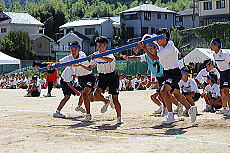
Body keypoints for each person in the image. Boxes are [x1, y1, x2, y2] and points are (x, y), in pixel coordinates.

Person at [146, 29, 197, 124]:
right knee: (177, 95)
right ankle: (191, 109)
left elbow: (154, 58)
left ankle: (170, 115)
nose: (157, 41)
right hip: (167, 73)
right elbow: (150, 41)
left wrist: (144, 48)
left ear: (164, 38)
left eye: (158, 39)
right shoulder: (161, 46)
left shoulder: (169, 47)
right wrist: (143, 44)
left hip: (174, 72)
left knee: (163, 91)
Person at [88, 36, 123, 124]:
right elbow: (90, 68)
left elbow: (110, 59)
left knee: (115, 99)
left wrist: (99, 56)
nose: (98, 47)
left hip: (112, 77)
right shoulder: (95, 54)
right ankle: (107, 101)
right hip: (102, 77)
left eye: (100, 45)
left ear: (105, 45)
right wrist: (80, 64)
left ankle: (119, 117)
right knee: (96, 94)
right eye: (97, 45)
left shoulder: (109, 53)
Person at [62, 41, 96, 122]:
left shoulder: (82, 56)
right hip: (80, 79)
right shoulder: (69, 58)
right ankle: (107, 100)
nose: (73, 51)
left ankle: (88, 115)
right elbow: (60, 62)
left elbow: (89, 69)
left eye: (75, 49)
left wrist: (80, 64)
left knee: (84, 94)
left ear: (79, 50)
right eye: (71, 49)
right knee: (91, 98)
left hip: (89, 77)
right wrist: (51, 65)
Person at [210, 38, 230, 115]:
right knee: (222, 92)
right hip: (222, 73)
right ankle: (225, 108)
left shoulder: (224, 54)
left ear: (216, 45)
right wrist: (219, 76)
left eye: (212, 44)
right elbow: (220, 66)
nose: (210, 46)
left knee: (226, 91)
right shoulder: (214, 55)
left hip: (227, 72)